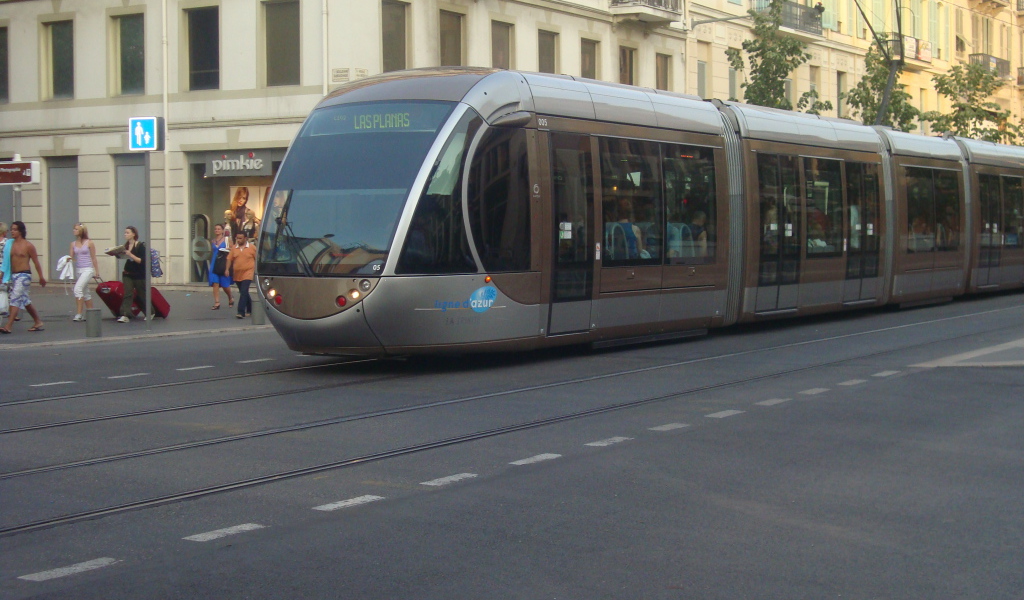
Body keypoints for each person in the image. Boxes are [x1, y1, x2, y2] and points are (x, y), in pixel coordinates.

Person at [1, 221, 47, 333]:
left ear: (21, 231)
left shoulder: (28, 245)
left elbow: (36, 262)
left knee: (15, 298)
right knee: (25, 300)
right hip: (13, 275)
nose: (12, 231)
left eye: (15, 229)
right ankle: (37, 321)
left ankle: (8, 326)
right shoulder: (10, 244)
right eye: (11, 229)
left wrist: (41, 277)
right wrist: (2, 275)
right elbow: (5, 263)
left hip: (24, 275)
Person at [69, 223, 100, 322]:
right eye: (74, 229)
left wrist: (97, 271)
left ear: (82, 231)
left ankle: (79, 314)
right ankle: (91, 313)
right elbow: (71, 257)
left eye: (76, 229)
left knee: (77, 289)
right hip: (79, 270)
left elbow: (93, 257)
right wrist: (67, 260)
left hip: (88, 269)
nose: (74, 231)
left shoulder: (89, 243)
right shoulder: (73, 244)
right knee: (85, 292)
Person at [118, 226, 149, 323]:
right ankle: (125, 314)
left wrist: (130, 254)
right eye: (125, 233)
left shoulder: (140, 246)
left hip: (139, 274)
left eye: (127, 233)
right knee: (128, 294)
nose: (125, 234)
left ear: (133, 234)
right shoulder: (125, 246)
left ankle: (150, 312)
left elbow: (141, 261)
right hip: (128, 273)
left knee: (142, 295)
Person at [226, 231, 257, 319]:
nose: (238, 240)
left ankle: (240, 311)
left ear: (245, 238)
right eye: (237, 238)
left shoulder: (252, 248)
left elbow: (257, 259)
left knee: (243, 291)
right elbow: (229, 259)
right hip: (237, 274)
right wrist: (227, 269)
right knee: (244, 292)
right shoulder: (234, 248)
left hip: (248, 272)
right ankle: (250, 309)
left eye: (240, 238)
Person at [208, 223, 234, 310]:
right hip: (215, 263)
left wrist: (227, 249)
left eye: (219, 229)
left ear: (223, 230)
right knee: (215, 283)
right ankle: (217, 302)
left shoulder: (227, 240)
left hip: (223, 262)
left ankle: (230, 297)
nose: (217, 230)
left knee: (224, 284)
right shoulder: (213, 240)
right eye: (215, 229)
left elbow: (233, 249)